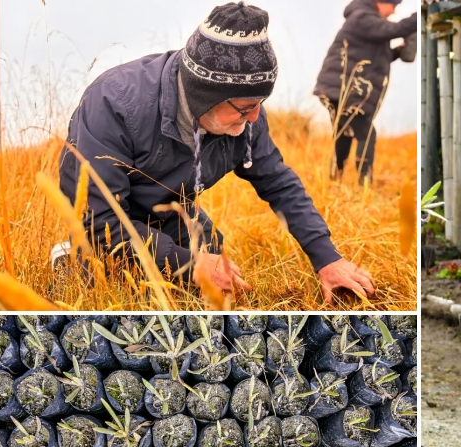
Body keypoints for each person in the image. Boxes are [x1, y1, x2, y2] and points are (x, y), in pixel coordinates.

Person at [58, 1, 374, 302]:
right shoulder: (114, 103)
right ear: (204, 96)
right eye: (245, 107)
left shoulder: (246, 118)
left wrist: (327, 259)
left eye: (260, 104)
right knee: (112, 285)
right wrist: (190, 264)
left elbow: (279, 183)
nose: (255, 118)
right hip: (106, 219)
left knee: (212, 268)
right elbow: (99, 222)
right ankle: (68, 257)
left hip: (170, 211)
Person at [313, 0, 417, 186]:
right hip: (341, 91)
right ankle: (364, 185)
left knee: (343, 135)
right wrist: (419, 18)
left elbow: (374, 58)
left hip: (337, 90)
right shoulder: (362, 18)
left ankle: (334, 180)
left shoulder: (366, 22)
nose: (393, 12)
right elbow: (395, 29)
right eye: (393, 6)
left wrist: (398, 52)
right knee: (367, 134)